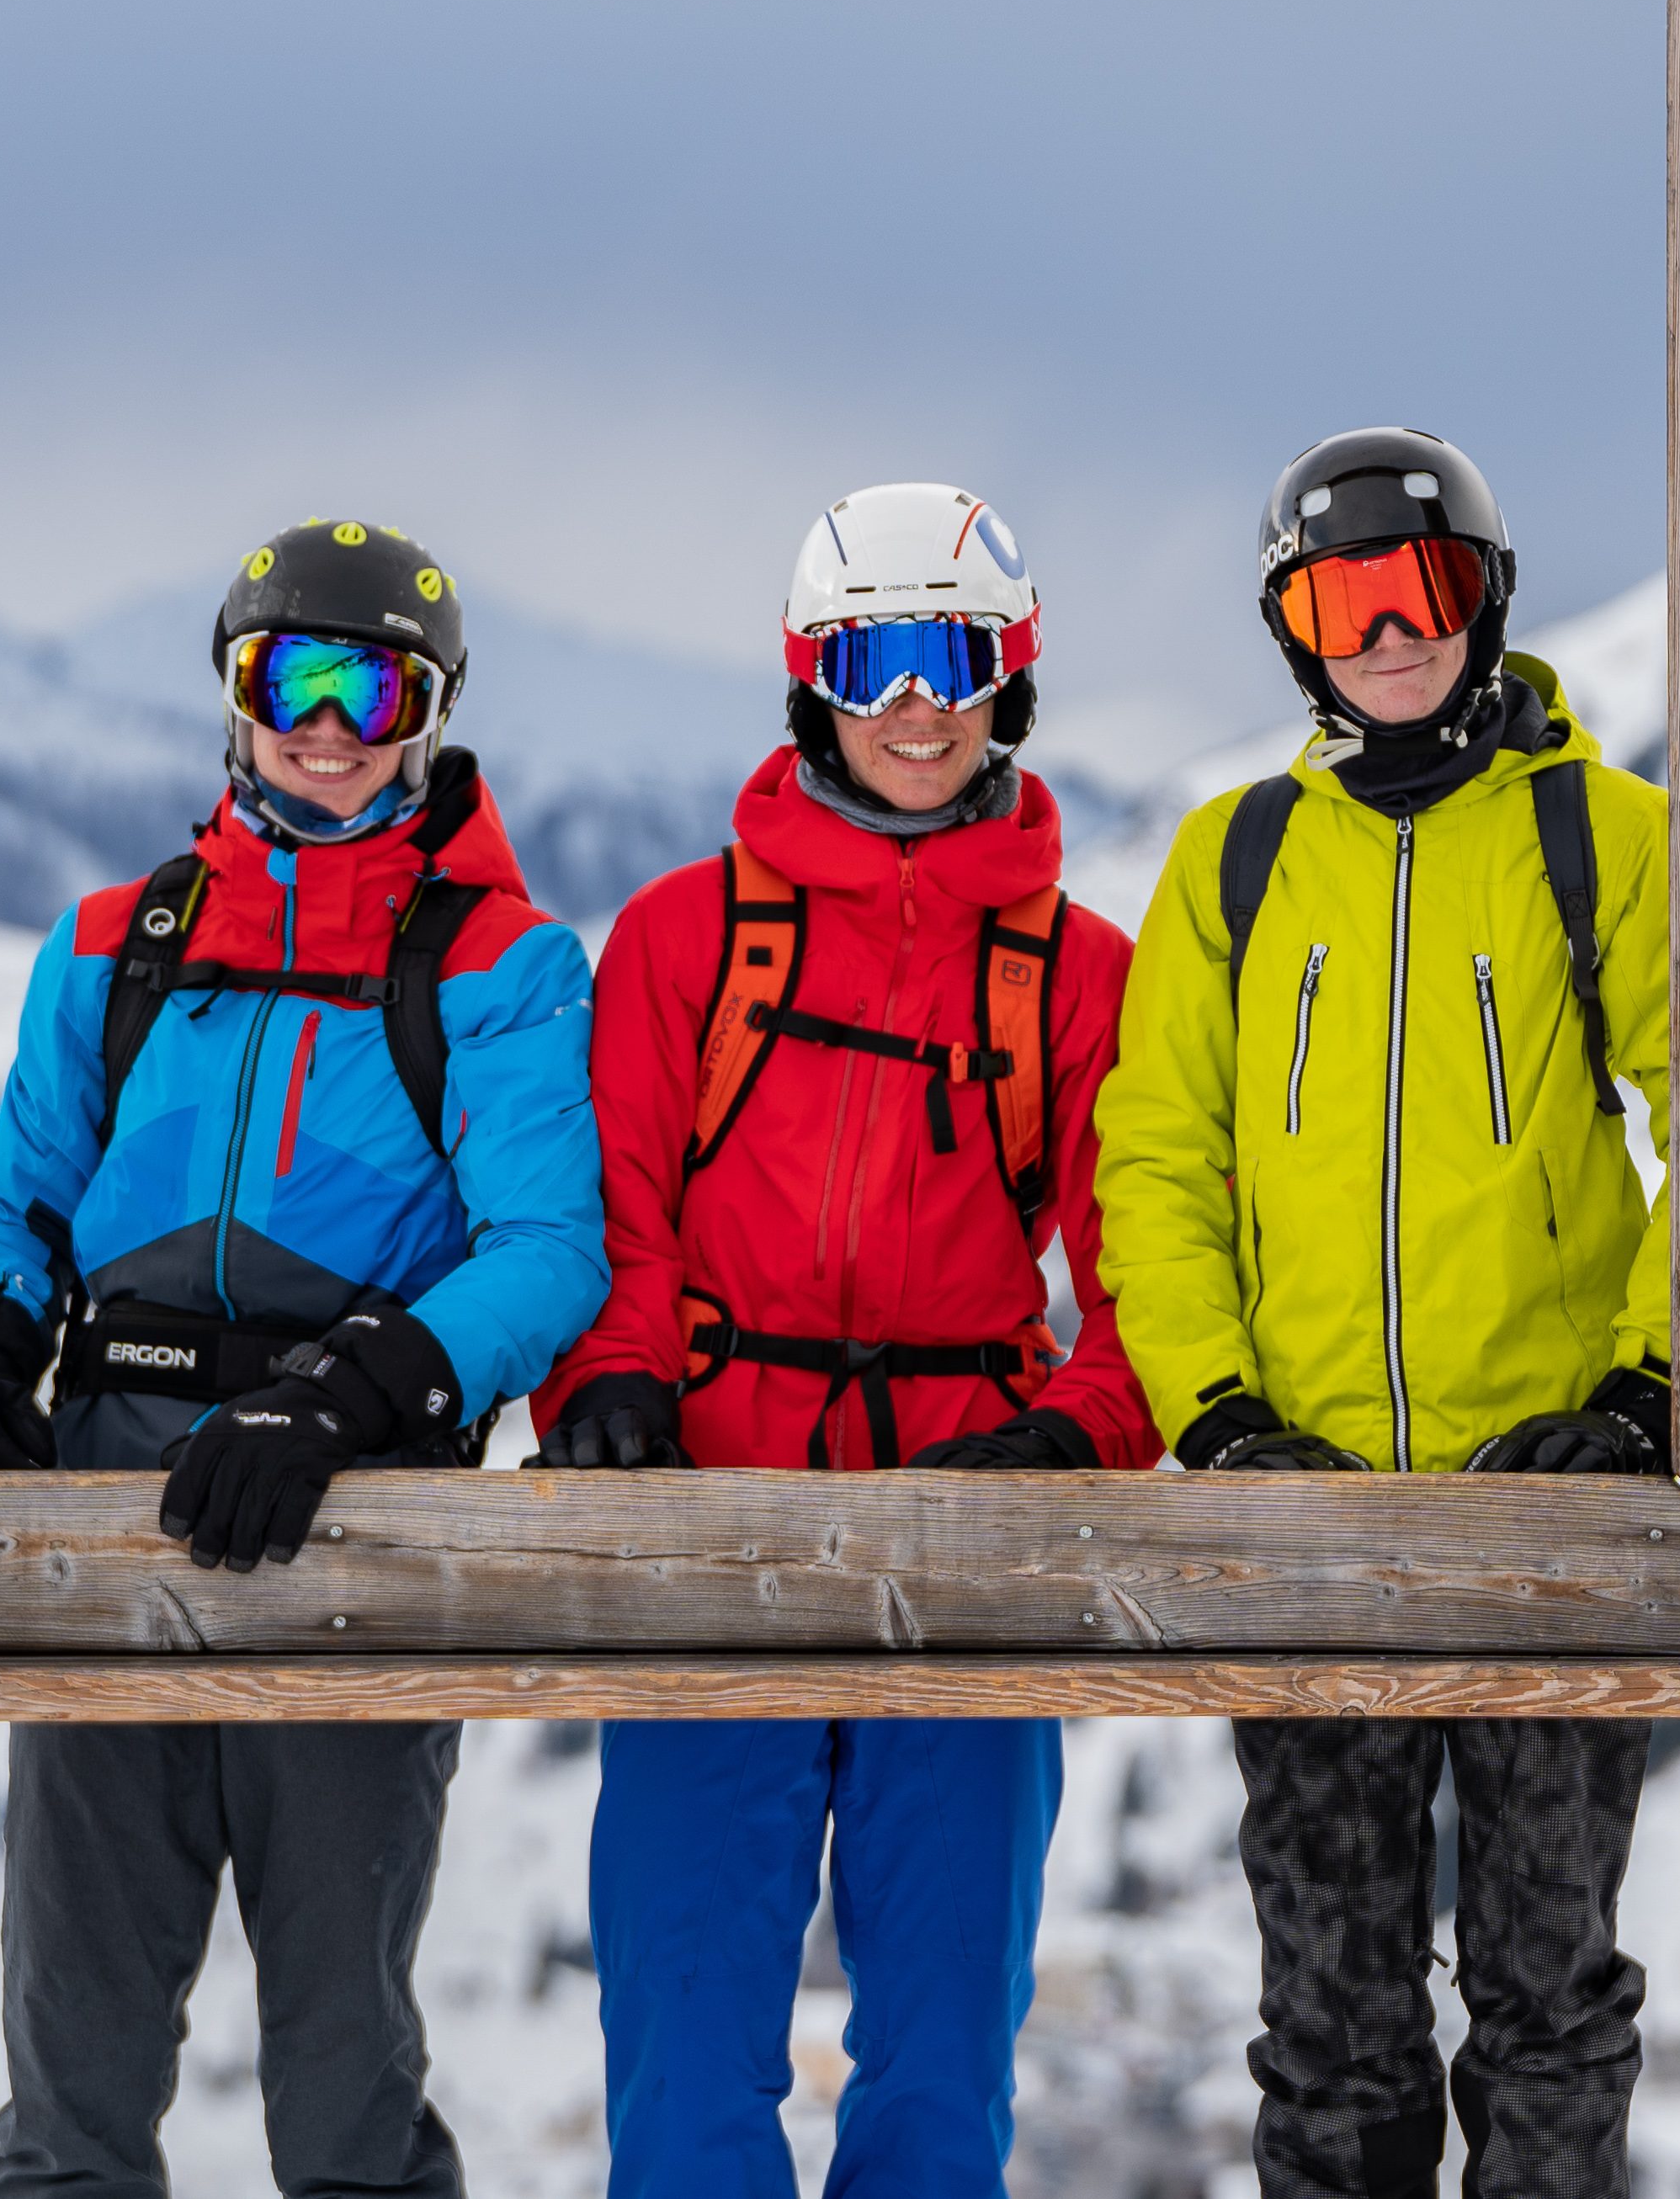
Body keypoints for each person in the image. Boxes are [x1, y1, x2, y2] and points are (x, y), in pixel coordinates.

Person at [0, 518, 609, 2199]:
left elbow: (548, 1251)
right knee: (70, 2072)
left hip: (350, 1515)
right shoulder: (118, 945)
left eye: (374, 688)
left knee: (341, 2069)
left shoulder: (494, 965)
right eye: (287, 676)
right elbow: (20, 1195)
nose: (328, 724)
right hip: (112, 1493)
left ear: (428, 713)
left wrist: (351, 1391)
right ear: (234, 697)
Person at [542, 481, 1155, 2199]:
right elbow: (619, 1208)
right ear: (811, 674)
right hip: (714, 1518)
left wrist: (1080, 1431)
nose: (912, 704)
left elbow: (1151, 1268)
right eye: (873, 657)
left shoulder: (1075, 973)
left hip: (966, 1531)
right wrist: (610, 1383)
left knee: (943, 2070)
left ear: (1007, 675)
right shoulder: (684, 935)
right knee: (685, 2059)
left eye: (948, 657)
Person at [1089, 428, 1677, 2199]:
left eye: (1420, 589)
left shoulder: (1604, 837)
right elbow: (1160, 1158)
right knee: (1333, 2021)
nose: (1389, 632)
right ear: (1297, 634)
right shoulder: (1240, 861)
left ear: (1483, 599)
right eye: (1341, 600)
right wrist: (1216, 1412)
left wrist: (1649, 1390)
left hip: (1548, 1512)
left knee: (1548, 1997)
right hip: (1310, 1510)